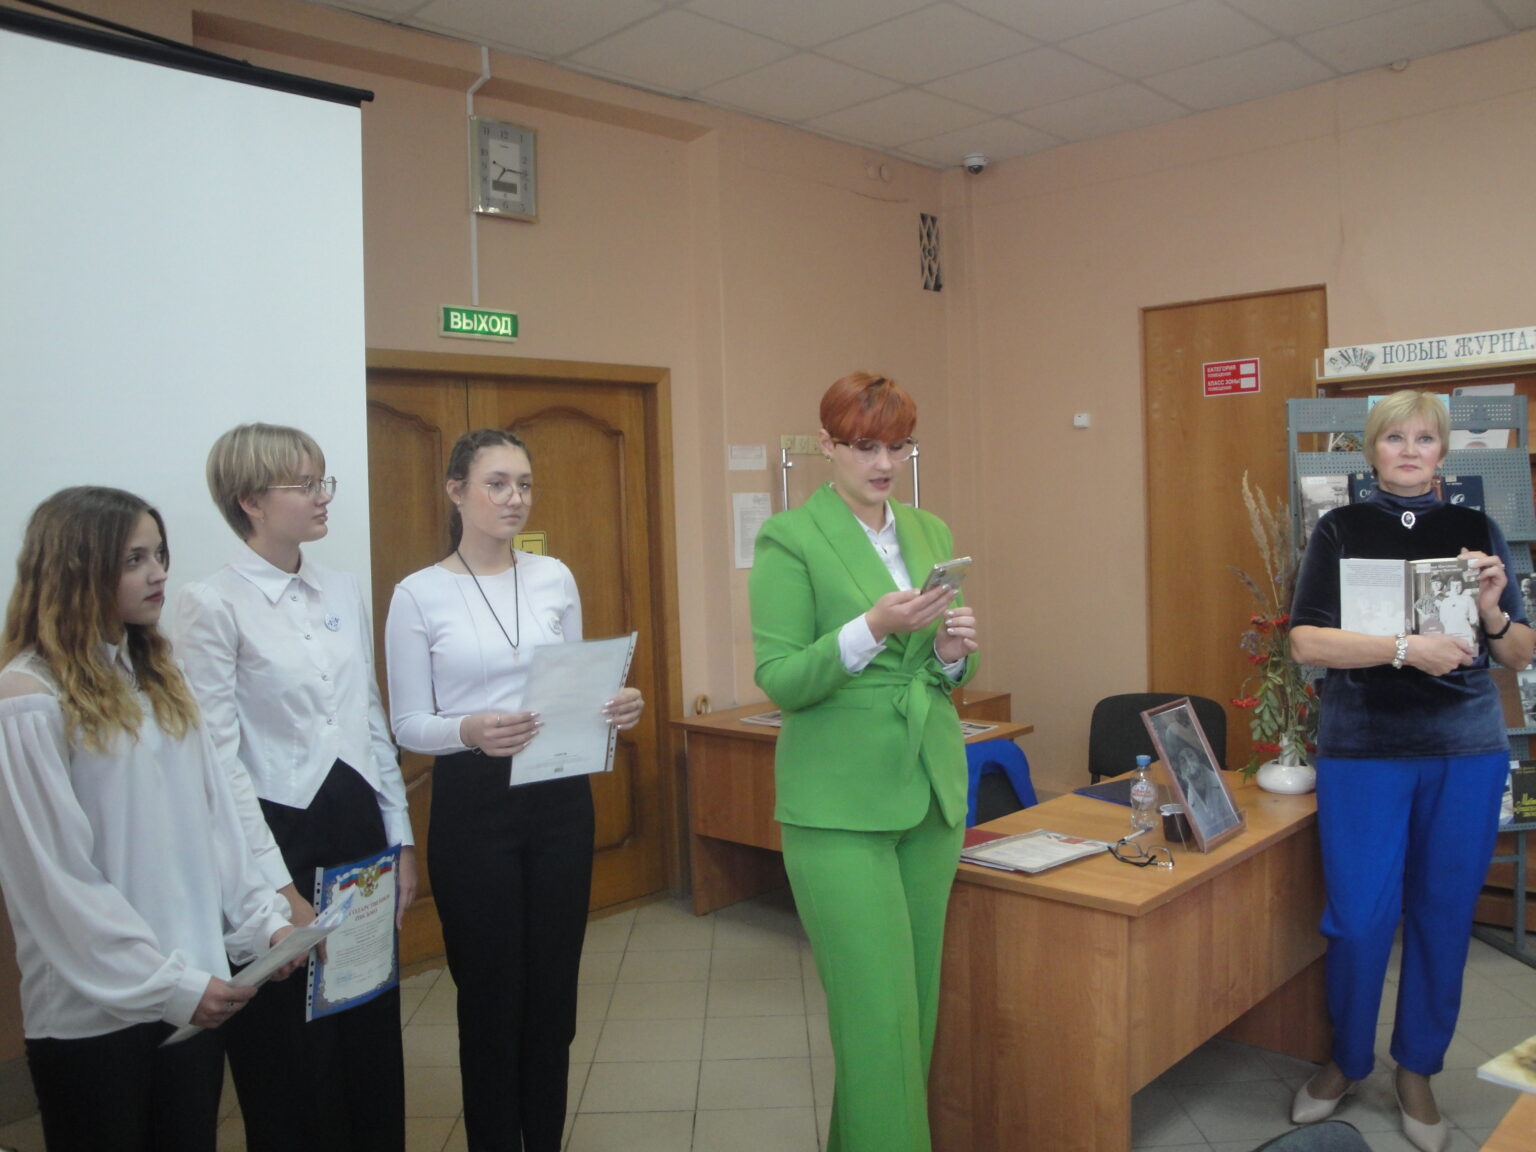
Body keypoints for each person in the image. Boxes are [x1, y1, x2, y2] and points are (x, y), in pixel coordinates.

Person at [0, 487, 293, 1152]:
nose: (158, 573)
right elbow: (56, 882)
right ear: (76, 567)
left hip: (192, 996)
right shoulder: (28, 698)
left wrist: (261, 922)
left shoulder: (160, 677)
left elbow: (212, 823)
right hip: (95, 1013)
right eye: (134, 559)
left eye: (159, 554)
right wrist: (167, 985)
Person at [384, 428, 644, 1152]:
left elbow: (577, 686)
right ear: (456, 491)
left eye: (524, 484)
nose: (514, 498)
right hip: (474, 804)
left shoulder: (554, 576)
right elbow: (407, 723)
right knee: (492, 1000)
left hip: (558, 797)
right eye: (496, 483)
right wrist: (468, 730)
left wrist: (617, 705)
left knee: (553, 993)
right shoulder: (419, 594)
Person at [1288, 391, 1534, 1152]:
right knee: (1359, 919)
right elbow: (1305, 643)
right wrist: (1404, 649)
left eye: (1424, 438)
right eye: (1394, 437)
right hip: (1365, 750)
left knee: (1442, 913)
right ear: (1372, 450)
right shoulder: (1338, 528)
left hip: (1465, 749)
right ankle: (1347, 1059)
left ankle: (1418, 1068)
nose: (1409, 450)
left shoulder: (1476, 530)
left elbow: (1519, 651)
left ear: (1443, 452)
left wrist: (1492, 608)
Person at [748, 372, 980, 1152]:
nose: (884, 464)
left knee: (914, 1017)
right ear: (828, 446)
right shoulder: (790, 538)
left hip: (929, 790)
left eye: (898, 447)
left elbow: (944, 671)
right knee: (875, 1021)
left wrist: (952, 652)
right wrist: (871, 627)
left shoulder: (930, 530)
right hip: (837, 805)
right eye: (865, 447)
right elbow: (782, 678)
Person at [173, 424, 414, 1151]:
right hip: (277, 836)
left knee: (368, 1033)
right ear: (250, 500)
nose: (322, 496)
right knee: (291, 1057)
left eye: (322, 481)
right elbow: (217, 763)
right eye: (304, 485)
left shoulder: (338, 587)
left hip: (357, 826)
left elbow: (368, 718)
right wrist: (274, 889)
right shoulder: (212, 603)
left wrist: (400, 840)